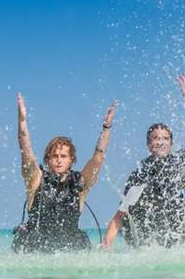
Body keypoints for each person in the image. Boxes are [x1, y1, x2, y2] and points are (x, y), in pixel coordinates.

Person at [102, 73, 185, 249]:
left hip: (180, 236)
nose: (160, 142)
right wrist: (105, 246)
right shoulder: (140, 172)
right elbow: (121, 213)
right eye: (155, 138)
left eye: (165, 138)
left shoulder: (182, 161)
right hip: (152, 238)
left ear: (171, 143)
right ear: (148, 144)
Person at [13, 93, 117, 253]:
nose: (59, 160)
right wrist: (22, 121)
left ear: (71, 160)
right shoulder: (36, 180)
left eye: (63, 156)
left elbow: (98, 158)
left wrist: (107, 128)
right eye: (54, 156)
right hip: (36, 250)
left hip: (70, 251)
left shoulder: (80, 183)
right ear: (48, 159)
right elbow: (26, 154)